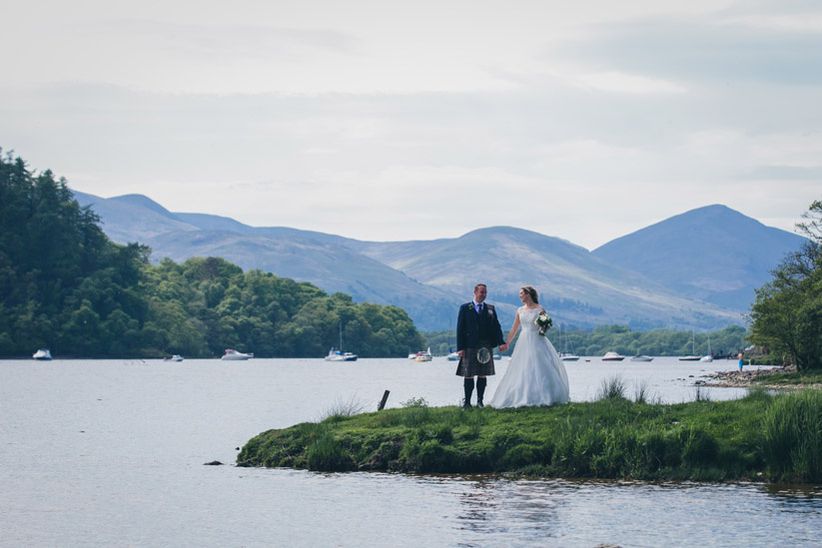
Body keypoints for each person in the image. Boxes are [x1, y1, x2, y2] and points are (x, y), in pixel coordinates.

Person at [489, 286, 570, 408]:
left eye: (522, 293)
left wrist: (544, 328)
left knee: (540, 366)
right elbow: (514, 329)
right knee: (523, 367)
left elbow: (546, 325)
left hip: (537, 340)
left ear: (528, 294)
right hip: (523, 340)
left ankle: (546, 395)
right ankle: (523, 395)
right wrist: (507, 343)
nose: (520, 296)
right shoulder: (520, 310)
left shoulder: (540, 309)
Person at [455, 283, 507, 408]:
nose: (483, 295)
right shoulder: (465, 308)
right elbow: (460, 329)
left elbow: (496, 327)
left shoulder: (490, 308)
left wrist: (501, 342)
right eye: (481, 292)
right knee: (469, 374)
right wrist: (460, 348)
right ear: (475, 292)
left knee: (482, 373)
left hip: (485, 345)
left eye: (485, 292)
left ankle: (480, 401)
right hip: (469, 345)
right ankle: (467, 403)